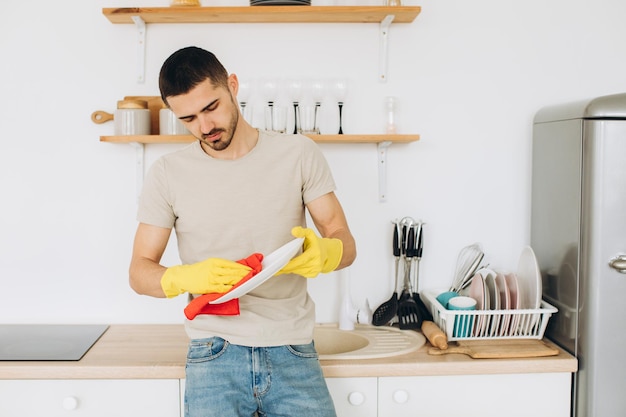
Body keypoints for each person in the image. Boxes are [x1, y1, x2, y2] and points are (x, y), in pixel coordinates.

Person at [128, 46, 356, 417]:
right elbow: (139, 272)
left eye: (211, 108)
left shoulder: (298, 153)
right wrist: (185, 277)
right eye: (188, 118)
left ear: (232, 86)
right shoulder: (168, 174)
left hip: (293, 348)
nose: (204, 127)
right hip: (213, 352)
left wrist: (328, 252)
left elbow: (343, 239)